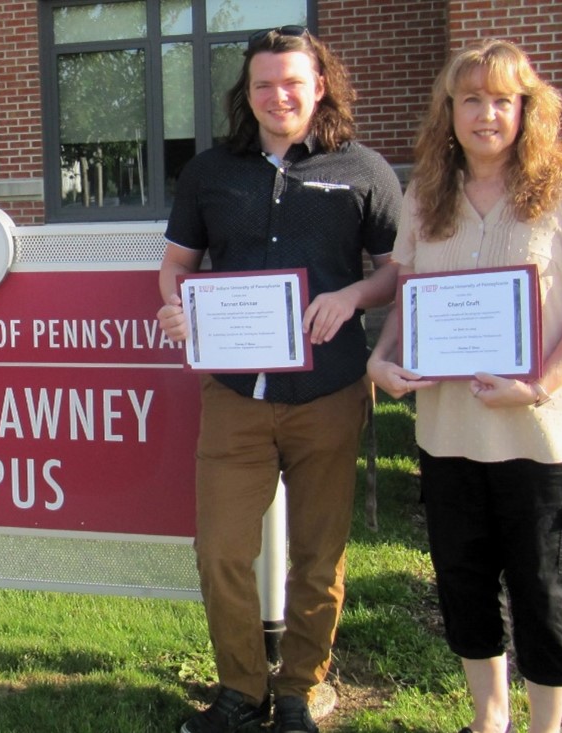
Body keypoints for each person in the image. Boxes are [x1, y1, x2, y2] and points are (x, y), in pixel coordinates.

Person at [366, 40, 562, 733]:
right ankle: (490, 721)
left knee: (545, 588)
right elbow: (409, 292)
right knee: (464, 581)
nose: (486, 114)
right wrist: (382, 359)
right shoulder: (426, 194)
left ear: (527, 109)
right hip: (452, 431)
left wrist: (539, 382)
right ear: (448, 111)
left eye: (502, 101)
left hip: (547, 434)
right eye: (471, 99)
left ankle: (544, 727)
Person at [156, 26, 402, 733]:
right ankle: (241, 688)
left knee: (319, 553)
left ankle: (298, 687)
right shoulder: (209, 172)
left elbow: (397, 271)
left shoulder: (364, 170)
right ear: (248, 93)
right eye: (263, 84)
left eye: (292, 82)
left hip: (329, 390)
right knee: (223, 549)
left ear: (319, 85)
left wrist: (353, 296)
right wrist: (175, 304)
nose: (278, 95)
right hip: (235, 393)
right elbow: (177, 264)